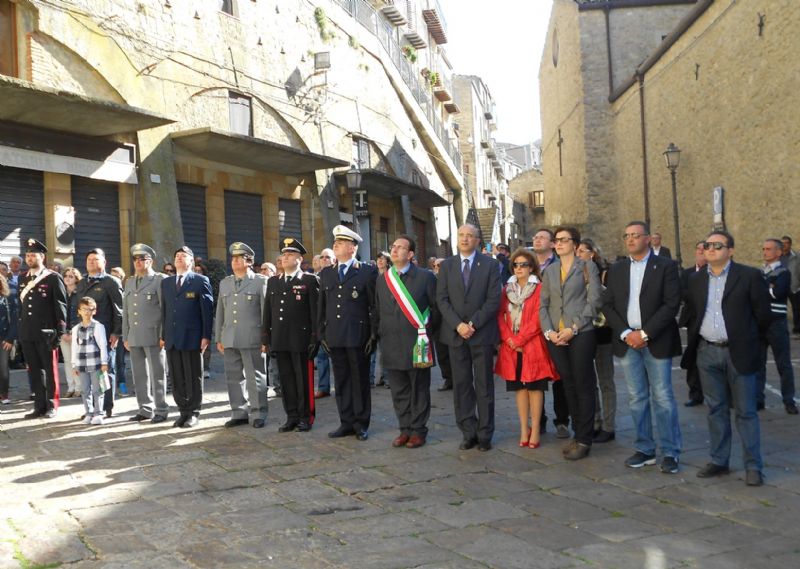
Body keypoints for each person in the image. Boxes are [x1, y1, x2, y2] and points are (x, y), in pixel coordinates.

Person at [681, 231, 771, 486]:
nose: (710, 249)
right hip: (707, 352)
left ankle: (753, 466)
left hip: (739, 351)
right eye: (707, 245)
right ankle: (719, 461)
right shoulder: (696, 279)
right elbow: (692, 311)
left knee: (746, 412)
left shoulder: (749, 276)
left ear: (730, 250)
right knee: (715, 409)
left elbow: (762, 316)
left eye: (717, 245)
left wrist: (751, 342)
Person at [602, 221, 683, 474]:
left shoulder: (666, 267)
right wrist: (627, 333)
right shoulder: (616, 269)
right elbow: (607, 305)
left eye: (636, 235)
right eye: (627, 235)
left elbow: (671, 304)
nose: (630, 239)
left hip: (655, 340)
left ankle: (670, 451)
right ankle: (645, 449)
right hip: (627, 342)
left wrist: (645, 333)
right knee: (637, 398)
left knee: (663, 398)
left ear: (648, 238)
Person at [436, 224, 501, 451]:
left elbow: (494, 299)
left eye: (469, 236)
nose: (464, 239)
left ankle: (485, 434)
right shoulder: (447, 266)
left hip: (481, 334)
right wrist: (458, 325)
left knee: (484, 386)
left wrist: (472, 324)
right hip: (455, 335)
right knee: (462, 385)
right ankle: (468, 431)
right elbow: (441, 299)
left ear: (477, 241)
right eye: (461, 235)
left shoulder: (491, 265)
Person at [540, 227, 602, 460]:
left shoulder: (587, 266)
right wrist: (549, 331)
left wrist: (573, 327)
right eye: (556, 240)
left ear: (575, 244)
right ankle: (577, 433)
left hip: (581, 333)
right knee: (568, 385)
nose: (559, 244)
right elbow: (543, 305)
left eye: (564, 240)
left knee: (584, 385)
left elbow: (594, 301)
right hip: (556, 336)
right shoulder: (550, 271)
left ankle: (585, 438)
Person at [375, 235, 439, 448]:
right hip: (391, 343)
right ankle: (405, 429)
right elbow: (378, 310)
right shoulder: (383, 279)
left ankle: (419, 431)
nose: (394, 250)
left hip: (416, 344)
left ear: (410, 254)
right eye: (393, 247)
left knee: (419, 389)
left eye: (400, 248)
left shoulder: (425, 277)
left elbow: (436, 309)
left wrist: (426, 333)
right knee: (398, 391)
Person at [318, 225, 378, 441]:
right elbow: (322, 306)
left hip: (358, 335)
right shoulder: (326, 273)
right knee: (341, 380)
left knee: (359, 380)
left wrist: (373, 334)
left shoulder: (366, 271)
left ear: (352, 248)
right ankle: (346, 422)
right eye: (335, 242)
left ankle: (361, 423)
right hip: (335, 335)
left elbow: (373, 305)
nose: (336, 245)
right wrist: (321, 334)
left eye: (341, 242)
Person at [495, 248, 559, 449]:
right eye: (516, 264)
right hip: (512, 346)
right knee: (519, 389)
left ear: (531, 267)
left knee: (535, 388)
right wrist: (509, 339)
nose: (519, 268)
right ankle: (524, 428)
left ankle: (536, 428)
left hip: (533, 345)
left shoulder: (539, 289)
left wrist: (521, 339)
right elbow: (500, 315)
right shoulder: (507, 289)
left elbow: (540, 317)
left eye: (524, 264)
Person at [263, 238, 319, 432]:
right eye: (283, 254)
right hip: (280, 338)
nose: (284, 257)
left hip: (301, 339)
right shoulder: (273, 281)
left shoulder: (309, 281)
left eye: (289, 254)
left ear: (299, 258)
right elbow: (267, 312)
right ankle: (292, 416)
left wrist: (315, 338)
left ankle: (306, 417)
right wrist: (266, 338)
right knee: (286, 379)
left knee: (303, 379)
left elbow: (315, 312)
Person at [217, 242, 269, 429]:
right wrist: (219, 337)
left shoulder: (260, 281)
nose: (235, 261)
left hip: (252, 336)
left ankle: (258, 412)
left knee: (255, 376)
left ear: (249, 261)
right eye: (233, 258)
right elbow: (220, 312)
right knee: (233, 377)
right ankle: (238, 412)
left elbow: (265, 313)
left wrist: (266, 338)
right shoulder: (225, 283)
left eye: (239, 258)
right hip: (230, 337)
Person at [160, 246, 213, 428]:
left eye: (184, 256)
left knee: (193, 376)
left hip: (192, 337)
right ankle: (183, 411)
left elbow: (206, 310)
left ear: (191, 261)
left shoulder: (200, 280)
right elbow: (164, 311)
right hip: (172, 337)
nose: (179, 258)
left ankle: (194, 412)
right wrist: (163, 335)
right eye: (177, 256)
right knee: (176, 377)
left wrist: (206, 335)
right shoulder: (166, 283)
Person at [19, 239, 67, 418]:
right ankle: (39, 405)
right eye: (28, 255)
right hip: (27, 331)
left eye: (33, 255)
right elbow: (21, 305)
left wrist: (60, 330)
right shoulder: (23, 277)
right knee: (34, 370)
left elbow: (60, 305)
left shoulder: (53, 277)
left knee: (49, 368)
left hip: (47, 332)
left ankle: (52, 404)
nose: (30, 258)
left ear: (42, 257)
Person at [122, 243, 169, 423]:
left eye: (142, 259)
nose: (138, 262)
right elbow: (126, 311)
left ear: (150, 261)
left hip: (154, 335)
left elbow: (165, 309)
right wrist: (125, 335)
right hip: (134, 335)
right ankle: (144, 408)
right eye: (135, 259)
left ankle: (161, 409)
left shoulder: (159, 280)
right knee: (139, 375)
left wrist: (163, 335)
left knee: (157, 374)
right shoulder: (130, 281)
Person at [74, 249, 123, 417]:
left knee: (105, 370)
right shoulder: (82, 283)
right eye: (89, 260)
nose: (91, 262)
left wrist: (116, 333)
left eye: (95, 259)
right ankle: (92, 407)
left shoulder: (111, 282)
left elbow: (119, 310)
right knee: (88, 370)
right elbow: (78, 309)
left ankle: (105, 406)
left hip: (105, 333)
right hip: (85, 335)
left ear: (104, 262)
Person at [577, 239, 616, 443]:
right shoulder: (574, 275)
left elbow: (608, 301)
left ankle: (609, 426)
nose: (578, 254)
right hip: (583, 334)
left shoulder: (605, 273)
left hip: (602, 334)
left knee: (606, 380)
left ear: (592, 254)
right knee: (589, 382)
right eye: (577, 251)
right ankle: (595, 421)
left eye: (582, 251)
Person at [532, 228, 569, 436]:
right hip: (531, 330)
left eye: (542, 237)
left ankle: (562, 420)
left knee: (559, 376)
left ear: (553, 244)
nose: (537, 239)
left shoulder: (559, 265)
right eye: (535, 237)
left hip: (554, 327)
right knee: (535, 377)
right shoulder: (523, 264)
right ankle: (539, 420)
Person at [756, 239, 797, 414]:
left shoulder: (784, 272)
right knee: (758, 364)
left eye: (768, 249)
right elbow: (757, 294)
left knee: (783, 364)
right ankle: (758, 400)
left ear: (778, 252)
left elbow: (778, 293)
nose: (764, 252)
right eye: (763, 249)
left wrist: (765, 288)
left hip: (777, 323)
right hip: (759, 322)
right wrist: (769, 287)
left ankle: (789, 401)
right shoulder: (759, 273)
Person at [71, 296, 110, 425]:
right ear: (79, 311)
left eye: (90, 309)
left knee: (97, 389)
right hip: (81, 364)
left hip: (96, 363)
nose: (87, 312)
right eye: (84, 309)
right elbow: (74, 347)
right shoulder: (76, 329)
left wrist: (104, 362)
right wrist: (73, 364)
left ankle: (99, 413)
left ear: (94, 311)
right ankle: (89, 413)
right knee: (84, 389)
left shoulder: (98, 327)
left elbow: (103, 345)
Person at [679, 241, 708, 407]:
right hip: (692, 320)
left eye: (703, 249)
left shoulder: (713, 272)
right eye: (698, 249)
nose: (700, 252)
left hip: (709, 321)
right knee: (693, 356)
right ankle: (695, 393)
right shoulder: (688, 273)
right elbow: (682, 292)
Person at [313, 248, 334, 399]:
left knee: (339, 358)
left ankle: (341, 387)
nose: (325, 259)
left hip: (335, 324)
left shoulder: (338, 275)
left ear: (334, 260)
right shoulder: (314, 278)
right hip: (320, 324)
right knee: (321, 358)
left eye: (328, 257)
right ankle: (323, 387)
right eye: (322, 257)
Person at [61, 267, 83, 398]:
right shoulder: (61, 293)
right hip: (63, 332)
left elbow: (81, 315)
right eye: (66, 276)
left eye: (71, 276)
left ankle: (79, 387)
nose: (68, 278)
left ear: (76, 278)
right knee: (67, 360)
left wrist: (74, 331)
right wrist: (63, 332)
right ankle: (71, 386)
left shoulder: (80, 293)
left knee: (77, 361)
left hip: (77, 331)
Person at [371, 251, 392, 388]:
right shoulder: (372, 276)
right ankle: (381, 376)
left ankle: (388, 377)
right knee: (377, 349)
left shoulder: (391, 275)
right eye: (378, 259)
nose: (379, 261)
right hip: (374, 315)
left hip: (387, 316)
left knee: (386, 350)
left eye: (382, 259)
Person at [0, 273, 17, 405]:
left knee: (3, 368)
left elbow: (14, 319)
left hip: (4, 338)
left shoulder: (8, 299)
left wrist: (10, 338)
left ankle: (4, 394)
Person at [780, 236, 800, 334]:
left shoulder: (797, 257)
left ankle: (797, 329)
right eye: (782, 243)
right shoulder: (777, 256)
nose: (784, 245)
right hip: (780, 287)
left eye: (786, 243)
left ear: (790, 244)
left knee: (796, 309)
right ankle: (783, 330)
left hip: (793, 287)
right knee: (781, 309)